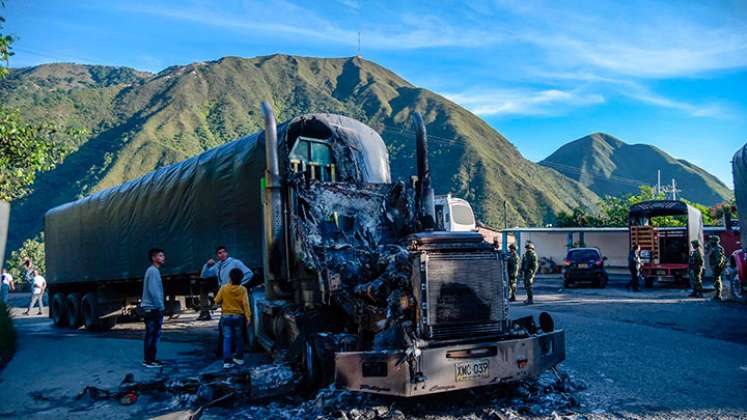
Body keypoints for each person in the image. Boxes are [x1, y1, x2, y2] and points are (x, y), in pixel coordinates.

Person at [199, 245, 253, 320]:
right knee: (226, 315)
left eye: (224, 252)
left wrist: (238, 284)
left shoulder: (235, 262)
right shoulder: (217, 266)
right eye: (220, 253)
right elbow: (204, 275)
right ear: (217, 255)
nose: (222, 254)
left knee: (237, 314)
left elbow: (249, 274)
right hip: (226, 294)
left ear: (227, 253)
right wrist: (207, 265)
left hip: (235, 293)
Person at [214, 268, 251, 369]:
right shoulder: (243, 289)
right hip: (238, 317)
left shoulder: (224, 288)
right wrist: (248, 317)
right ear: (241, 278)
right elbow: (246, 304)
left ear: (230, 277)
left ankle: (227, 362)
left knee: (227, 338)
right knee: (239, 338)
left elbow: (217, 300)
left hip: (226, 316)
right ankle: (239, 358)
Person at [142, 248, 166, 368]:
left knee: (153, 334)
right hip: (152, 308)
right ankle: (149, 360)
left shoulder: (153, 271)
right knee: (152, 334)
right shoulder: (153, 271)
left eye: (163, 255)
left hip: (152, 308)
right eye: (160, 256)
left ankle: (151, 359)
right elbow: (153, 291)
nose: (163, 258)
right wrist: (160, 306)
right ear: (154, 258)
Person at [708, 236, 726, 301]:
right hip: (715, 266)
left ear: (715, 241)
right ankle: (717, 294)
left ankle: (718, 295)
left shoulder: (717, 248)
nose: (710, 241)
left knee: (717, 280)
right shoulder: (715, 248)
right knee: (716, 280)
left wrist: (717, 267)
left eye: (712, 240)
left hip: (716, 267)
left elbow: (719, 259)